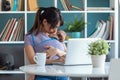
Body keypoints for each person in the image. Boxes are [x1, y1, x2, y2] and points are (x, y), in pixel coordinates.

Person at [24, 7, 69, 80]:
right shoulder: (30, 37)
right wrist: (56, 61)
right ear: (44, 22)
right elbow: (33, 61)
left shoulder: (58, 36)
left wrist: (57, 51)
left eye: (57, 27)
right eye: (53, 27)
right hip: (43, 75)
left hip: (62, 74)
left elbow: (68, 56)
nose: (55, 30)